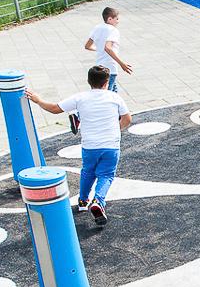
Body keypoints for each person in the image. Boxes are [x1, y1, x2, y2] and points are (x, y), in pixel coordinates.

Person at [26, 66, 131, 225]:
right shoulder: (115, 97)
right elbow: (127, 119)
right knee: (106, 175)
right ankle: (98, 201)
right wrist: (116, 130)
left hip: (89, 145)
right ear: (107, 82)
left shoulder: (80, 97)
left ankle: (82, 201)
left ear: (88, 81)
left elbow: (54, 109)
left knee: (88, 171)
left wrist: (38, 99)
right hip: (111, 145)